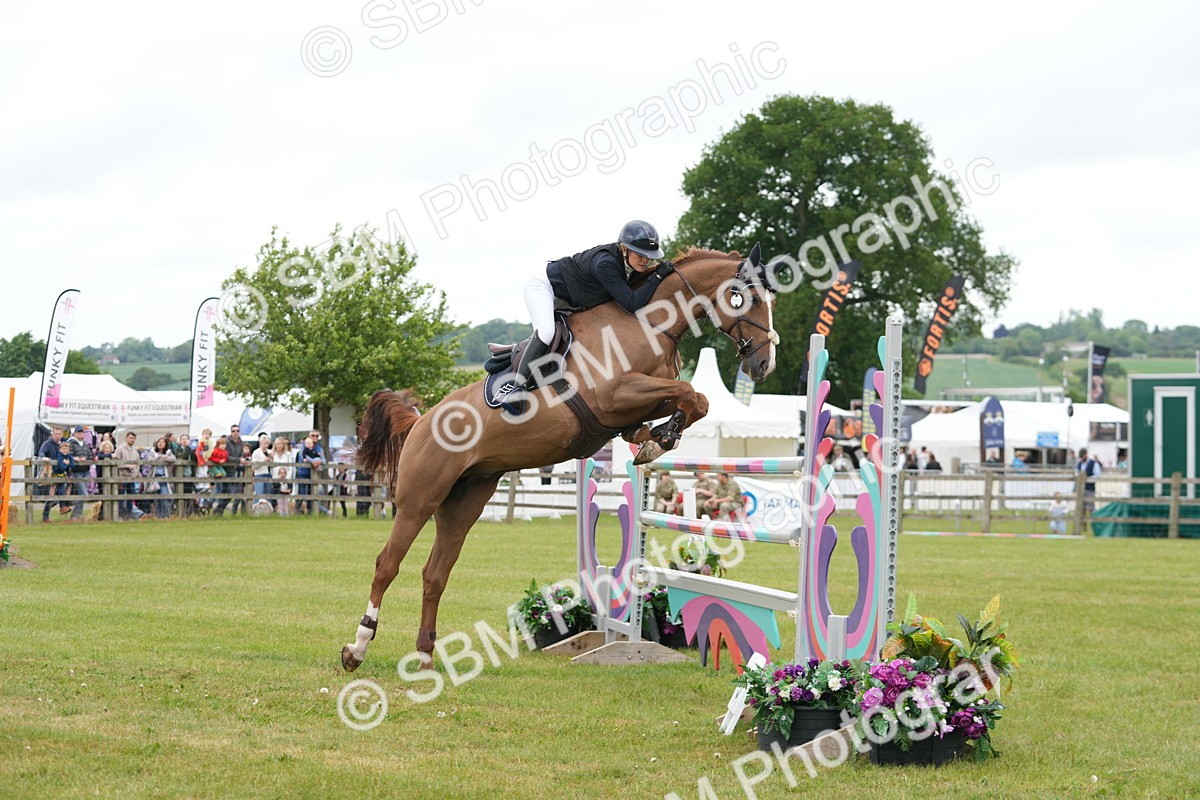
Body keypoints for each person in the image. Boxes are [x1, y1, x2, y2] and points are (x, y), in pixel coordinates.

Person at [517, 220, 671, 390]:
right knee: (546, 333)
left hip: (570, 299)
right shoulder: (605, 263)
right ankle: (517, 385)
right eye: (640, 254)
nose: (645, 260)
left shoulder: (627, 264)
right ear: (624, 249)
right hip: (544, 288)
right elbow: (632, 303)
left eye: (648, 256)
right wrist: (657, 277)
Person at [113, 431, 144, 520]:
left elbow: (138, 464)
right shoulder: (120, 449)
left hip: (132, 478)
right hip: (122, 477)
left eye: (134, 438)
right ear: (126, 438)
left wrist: (136, 472)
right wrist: (127, 466)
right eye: (130, 438)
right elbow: (116, 463)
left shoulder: (135, 451)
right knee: (121, 497)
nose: (132, 440)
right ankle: (120, 516)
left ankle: (130, 516)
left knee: (130, 498)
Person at [36, 428, 65, 521]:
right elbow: (41, 453)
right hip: (50, 472)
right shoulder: (47, 444)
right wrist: (44, 458)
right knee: (51, 495)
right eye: (56, 434)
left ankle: (62, 506)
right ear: (52, 434)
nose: (57, 435)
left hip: (60, 472)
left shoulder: (62, 444)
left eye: (59, 434)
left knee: (63, 487)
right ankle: (46, 516)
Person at [66, 427, 93, 520]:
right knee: (84, 493)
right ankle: (75, 515)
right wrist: (74, 458)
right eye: (79, 432)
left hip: (85, 470)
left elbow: (90, 455)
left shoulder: (85, 444)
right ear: (75, 434)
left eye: (82, 432)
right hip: (76, 471)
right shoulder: (70, 443)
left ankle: (77, 515)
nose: (80, 434)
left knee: (82, 494)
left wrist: (86, 458)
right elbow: (68, 454)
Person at [149, 438, 177, 518]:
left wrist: (165, 458)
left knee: (165, 496)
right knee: (157, 498)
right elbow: (150, 461)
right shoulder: (152, 452)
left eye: (163, 442)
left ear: (166, 444)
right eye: (159, 442)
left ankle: (166, 515)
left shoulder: (168, 452)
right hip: (155, 477)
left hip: (165, 477)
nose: (160, 443)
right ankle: (158, 516)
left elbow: (173, 459)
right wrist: (158, 458)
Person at [1076, 448, 1102, 534]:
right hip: (1081, 490)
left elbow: (1097, 475)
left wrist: (1087, 479)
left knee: (1092, 509)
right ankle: (1083, 527)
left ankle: (1094, 526)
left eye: (1082, 456)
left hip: (1090, 489)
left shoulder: (1093, 464)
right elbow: (1076, 473)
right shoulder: (1079, 464)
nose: (1081, 458)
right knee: (1081, 509)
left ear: (1086, 455)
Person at [270, 436, 295, 516]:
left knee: (285, 498)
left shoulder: (288, 455)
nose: (279, 446)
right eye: (277, 444)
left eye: (281, 444)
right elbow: (271, 467)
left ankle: (286, 513)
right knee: (278, 498)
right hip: (276, 478)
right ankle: (279, 513)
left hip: (286, 479)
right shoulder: (272, 454)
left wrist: (287, 478)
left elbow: (290, 467)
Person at [209, 436, 231, 514]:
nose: (223, 446)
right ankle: (215, 475)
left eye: (224, 444)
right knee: (218, 475)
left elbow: (226, 457)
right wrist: (219, 461)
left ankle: (218, 476)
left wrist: (223, 460)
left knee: (223, 474)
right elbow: (211, 458)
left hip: (219, 466)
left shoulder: (225, 452)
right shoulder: (215, 451)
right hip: (213, 466)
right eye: (221, 444)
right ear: (218, 445)